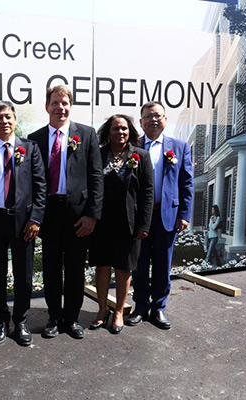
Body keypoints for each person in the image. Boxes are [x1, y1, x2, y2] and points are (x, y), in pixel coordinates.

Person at [28, 85, 103, 339]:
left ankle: (72, 318)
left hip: (78, 216)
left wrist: (92, 215)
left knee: (74, 269)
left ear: (70, 106)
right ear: (47, 106)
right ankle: (53, 317)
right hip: (48, 214)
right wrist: (33, 216)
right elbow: (30, 180)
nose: (60, 107)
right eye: (55, 103)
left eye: (65, 103)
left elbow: (96, 177)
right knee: (50, 268)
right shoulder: (34, 138)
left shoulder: (86, 134)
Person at [0, 101, 45, 346]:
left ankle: (21, 321)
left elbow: (40, 186)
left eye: (8, 116)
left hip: (24, 223)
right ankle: (1, 322)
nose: (4, 121)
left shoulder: (30, 148)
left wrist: (35, 218)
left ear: (15, 120)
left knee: (24, 275)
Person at [126, 101, 193, 330]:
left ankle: (159, 308)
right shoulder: (133, 146)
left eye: (158, 115)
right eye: (148, 116)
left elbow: (186, 183)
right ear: (141, 121)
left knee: (163, 264)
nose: (153, 120)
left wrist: (184, 214)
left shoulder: (180, 147)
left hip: (167, 215)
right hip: (140, 217)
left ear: (165, 119)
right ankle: (140, 306)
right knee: (140, 263)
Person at [88, 115, 154, 334]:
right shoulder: (97, 154)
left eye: (124, 128)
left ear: (130, 131)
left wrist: (144, 224)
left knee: (124, 267)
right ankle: (102, 309)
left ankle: (118, 311)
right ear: (108, 132)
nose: (120, 132)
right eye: (116, 128)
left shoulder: (141, 156)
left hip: (129, 222)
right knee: (102, 265)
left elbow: (147, 192)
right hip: (101, 221)